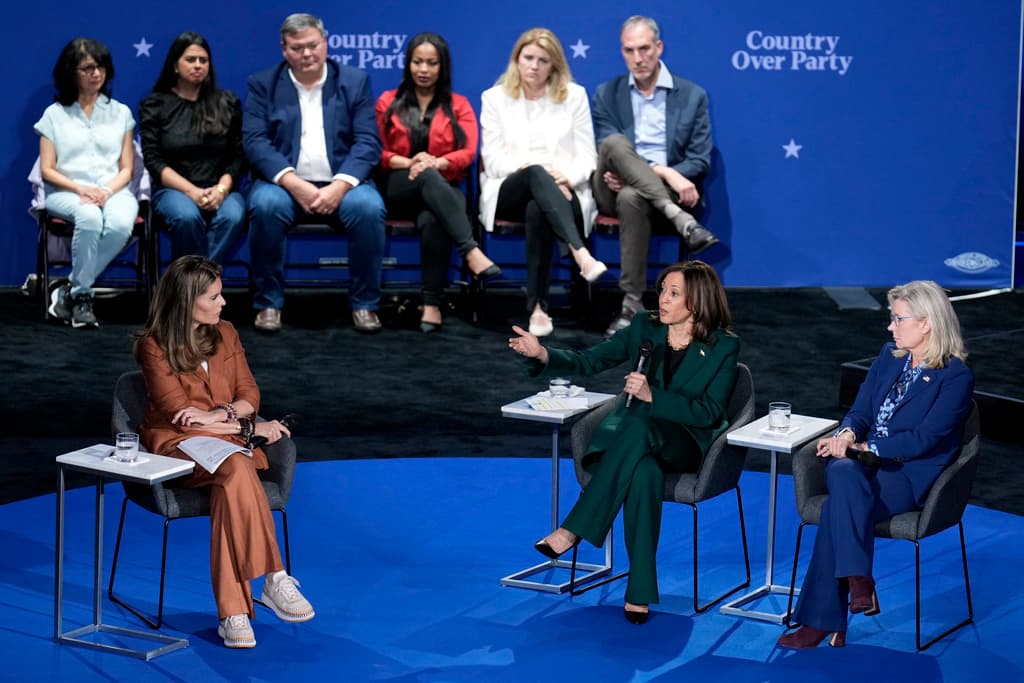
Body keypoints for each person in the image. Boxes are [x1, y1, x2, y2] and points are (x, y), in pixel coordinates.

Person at [508, 260, 739, 623]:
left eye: (673, 294)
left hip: (684, 444)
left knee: (642, 427)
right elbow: (589, 361)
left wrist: (653, 398)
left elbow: (709, 412)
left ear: (696, 302)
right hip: (634, 446)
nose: (662, 299)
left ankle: (573, 529)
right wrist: (543, 354)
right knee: (644, 473)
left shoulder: (723, 346)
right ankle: (640, 590)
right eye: (662, 289)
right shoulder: (644, 326)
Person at [778, 281, 974, 649]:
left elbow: (924, 439)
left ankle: (823, 619)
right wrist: (848, 435)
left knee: (839, 502)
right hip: (862, 464)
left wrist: (869, 447)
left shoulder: (955, 377)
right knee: (841, 470)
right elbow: (861, 410)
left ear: (927, 323)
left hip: (908, 474)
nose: (890, 327)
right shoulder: (889, 356)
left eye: (898, 319)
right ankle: (858, 582)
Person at [134, 255, 315, 649]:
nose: (223, 303)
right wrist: (250, 429)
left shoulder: (227, 333)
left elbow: (249, 394)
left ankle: (233, 613)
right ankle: (274, 576)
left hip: (227, 446)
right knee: (237, 464)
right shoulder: (154, 346)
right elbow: (180, 420)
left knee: (231, 480)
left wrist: (220, 416)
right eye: (214, 297)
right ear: (187, 301)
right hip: (177, 449)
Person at [244, 13, 385, 333]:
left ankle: (365, 304)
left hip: (342, 184)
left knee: (368, 207)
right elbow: (255, 142)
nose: (306, 54)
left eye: (312, 45)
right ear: (284, 49)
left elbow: (368, 141)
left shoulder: (354, 81)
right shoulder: (263, 83)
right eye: (297, 48)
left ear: (325, 43)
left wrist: (339, 185)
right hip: (283, 184)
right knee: (265, 206)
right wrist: (294, 183)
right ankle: (268, 303)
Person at [592, 16, 720, 338]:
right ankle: (680, 220)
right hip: (612, 184)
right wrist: (662, 171)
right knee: (614, 143)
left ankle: (631, 305)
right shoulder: (607, 94)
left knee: (632, 196)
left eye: (645, 49)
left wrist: (665, 176)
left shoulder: (692, 96)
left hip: (643, 190)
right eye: (629, 50)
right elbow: (607, 151)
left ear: (659, 47)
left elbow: (699, 158)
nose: (638, 58)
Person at [480, 28, 607, 338]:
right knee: (536, 174)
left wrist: (566, 177)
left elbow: (588, 157)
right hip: (509, 187)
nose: (534, 66)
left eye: (543, 60)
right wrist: (532, 171)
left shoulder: (574, 96)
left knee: (540, 207)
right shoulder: (494, 98)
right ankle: (580, 254)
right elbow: (493, 161)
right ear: (516, 60)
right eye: (528, 58)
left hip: (565, 188)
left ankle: (538, 308)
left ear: (555, 65)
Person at [375, 32, 500, 333]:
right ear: (408, 64)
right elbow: (375, 151)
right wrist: (414, 163)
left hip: (440, 190)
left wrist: (438, 162)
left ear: (442, 67)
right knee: (436, 185)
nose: (424, 69)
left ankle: (431, 304)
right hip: (397, 187)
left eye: (432, 63)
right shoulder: (388, 101)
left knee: (435, 217)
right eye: (418, 62)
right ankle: (470, 251)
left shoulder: (458, 105)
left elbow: (468, 152)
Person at [36, 38, 138, 329]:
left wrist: (105, 191)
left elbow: (127, 168)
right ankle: (82, 296)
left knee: (120, 224)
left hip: (114, 190)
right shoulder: (54, 115)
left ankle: (68, 289)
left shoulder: (121, 112)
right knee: (90, 217)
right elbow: (47, 170)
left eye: (101, 66)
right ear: (71, 73)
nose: (97, 73)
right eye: (88, 68)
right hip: (66, 191)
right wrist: (81, 189)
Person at [140, 32, 246, 265]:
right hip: (174, 191)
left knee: (233, 215)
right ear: (175, 65)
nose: (198, 65)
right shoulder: (155, 105)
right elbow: (154, 160)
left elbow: (238, 156)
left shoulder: (227, 102)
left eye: (203, 60)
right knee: (186, 216)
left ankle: (192, 285)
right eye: (190, 60)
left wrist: (220, 190)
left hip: (221, 188)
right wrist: (192, 192)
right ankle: (200, 286)